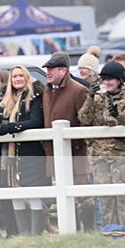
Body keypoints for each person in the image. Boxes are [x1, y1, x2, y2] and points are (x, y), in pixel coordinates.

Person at [0, 66, 50, 235]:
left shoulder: (34, 97)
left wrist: (12, 127)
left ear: (26, 77)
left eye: (21, 76)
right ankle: (23, 234)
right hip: (10, 156)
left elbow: (36, 121)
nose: (17, 79)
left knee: (33, 193)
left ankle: (36, 234)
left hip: (31, 153)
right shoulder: (7, 99)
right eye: (14, 76)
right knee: (15, 192)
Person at [78, 61, 125, 227]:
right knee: (106, 196)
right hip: (99, 154)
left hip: (122, 154)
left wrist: (117, 115)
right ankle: (111, 230)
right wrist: (90, 97)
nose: (106, 83)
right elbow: (83, 118)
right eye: (104, 79)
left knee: (123, 195)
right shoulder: (98, 98)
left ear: (119, 80)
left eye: (110, 79)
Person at [41, 51, 95, 231]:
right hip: (54, 154)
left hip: (76, 154)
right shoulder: (47, 92)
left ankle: (88, 231)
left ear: (63, 71)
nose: (48, 72)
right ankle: (73, 230)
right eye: (47, 69)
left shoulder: (79, 91)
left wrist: (75, 145)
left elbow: (85, 123)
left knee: (83, 196)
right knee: (63, 194)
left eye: (51, 69)